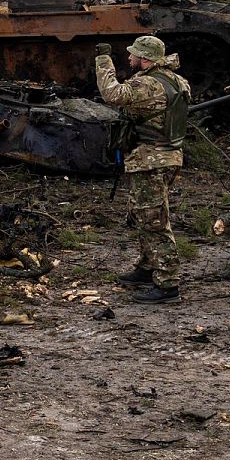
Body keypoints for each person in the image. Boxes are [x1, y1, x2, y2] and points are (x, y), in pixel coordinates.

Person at [95, 35, 191, 304]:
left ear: (145, 59)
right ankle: (147, 267)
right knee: (143, 215)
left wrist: (103, 60)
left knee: (154, 222)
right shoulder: (177, 81)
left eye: (134, 54)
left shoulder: (148, 84)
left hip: (151, 160)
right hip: (166, 157)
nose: (129, 58)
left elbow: (112, 94)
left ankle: (167, 284)